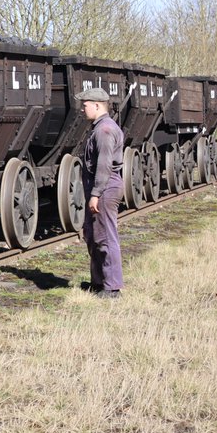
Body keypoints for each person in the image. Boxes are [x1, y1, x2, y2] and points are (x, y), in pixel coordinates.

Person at [76, 87, 124, 298]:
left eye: (85, 105)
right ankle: (98, 283)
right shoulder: (100, 128)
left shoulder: (104, 130)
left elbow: (104, 165)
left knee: (105, 237)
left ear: (97, 105)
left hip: (105, 187)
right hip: (101, 187)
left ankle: (112, 287)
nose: (82, 109)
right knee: (94, 236)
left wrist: (96, 193)